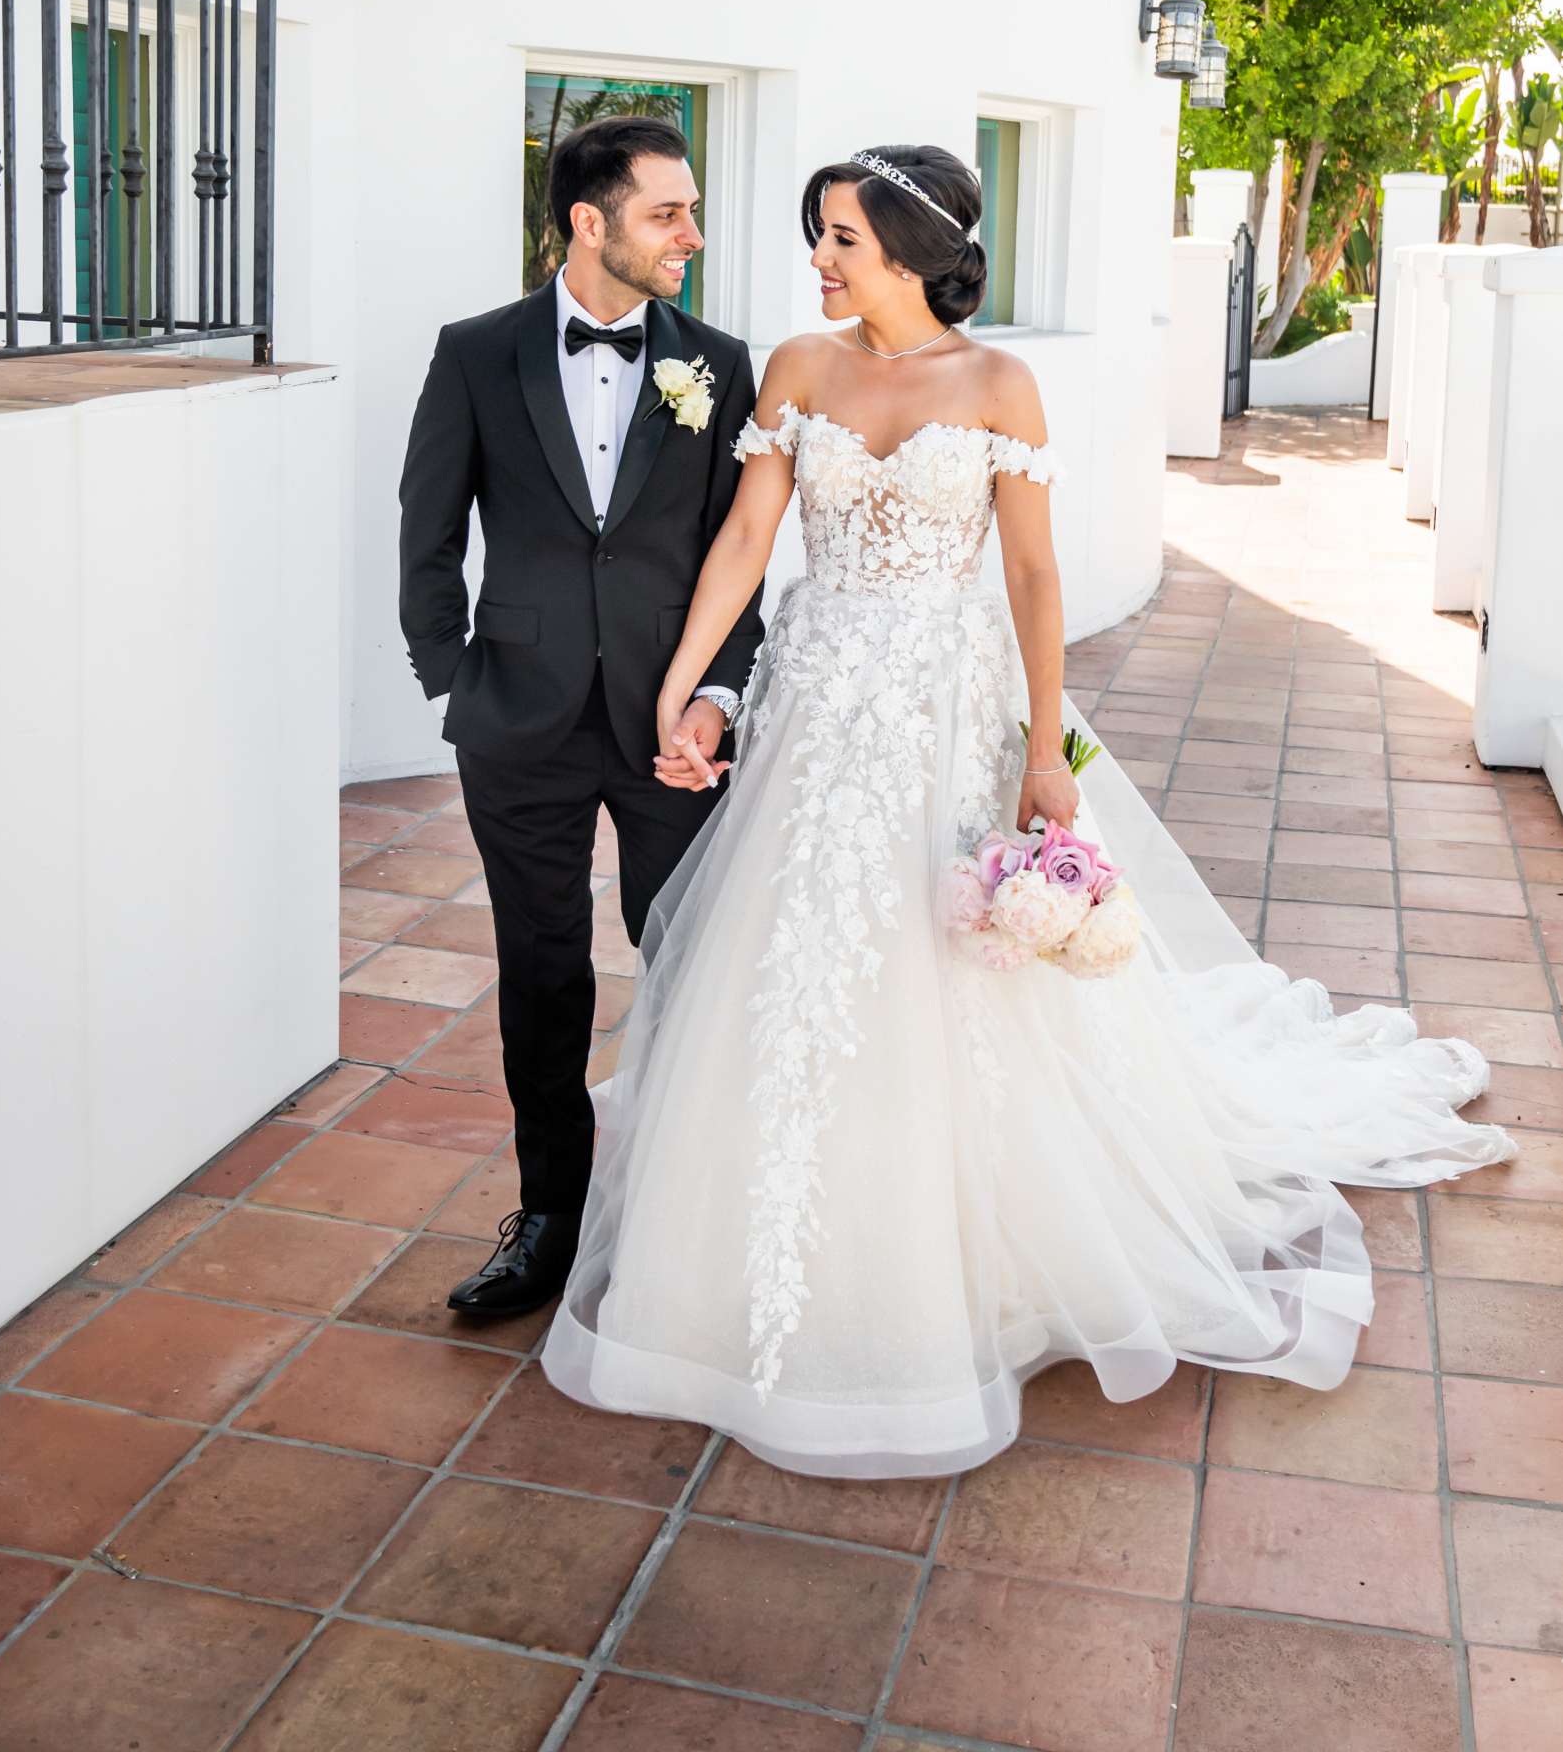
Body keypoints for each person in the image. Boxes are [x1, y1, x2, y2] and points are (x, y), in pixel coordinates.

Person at [540, 142, 1514, 1477]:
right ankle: (766, 1249)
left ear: (910, 256)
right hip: (817, 712)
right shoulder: (797, 368)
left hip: (945, 708)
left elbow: (1034, 577)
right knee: (803, 957)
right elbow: (750, 538)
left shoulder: (1000, 384)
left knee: (943, 964)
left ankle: (956, 1250)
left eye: (838, 239)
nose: (815, 260)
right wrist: (680, 688)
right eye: (815, 235)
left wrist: (1045, 752)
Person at [398, 114, 763, 1322]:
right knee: (542, 973)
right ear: (589, 221)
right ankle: (548, 1220)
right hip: (521, 724)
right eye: (669, 213)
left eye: (693, 210)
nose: (692, 236)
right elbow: (429, 530)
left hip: (673, 730)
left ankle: (676, 1214)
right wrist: (454, 678)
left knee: (689, 961)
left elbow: (739, 560)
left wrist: (716, 697)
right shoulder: (476, 353)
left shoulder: (717, 363)